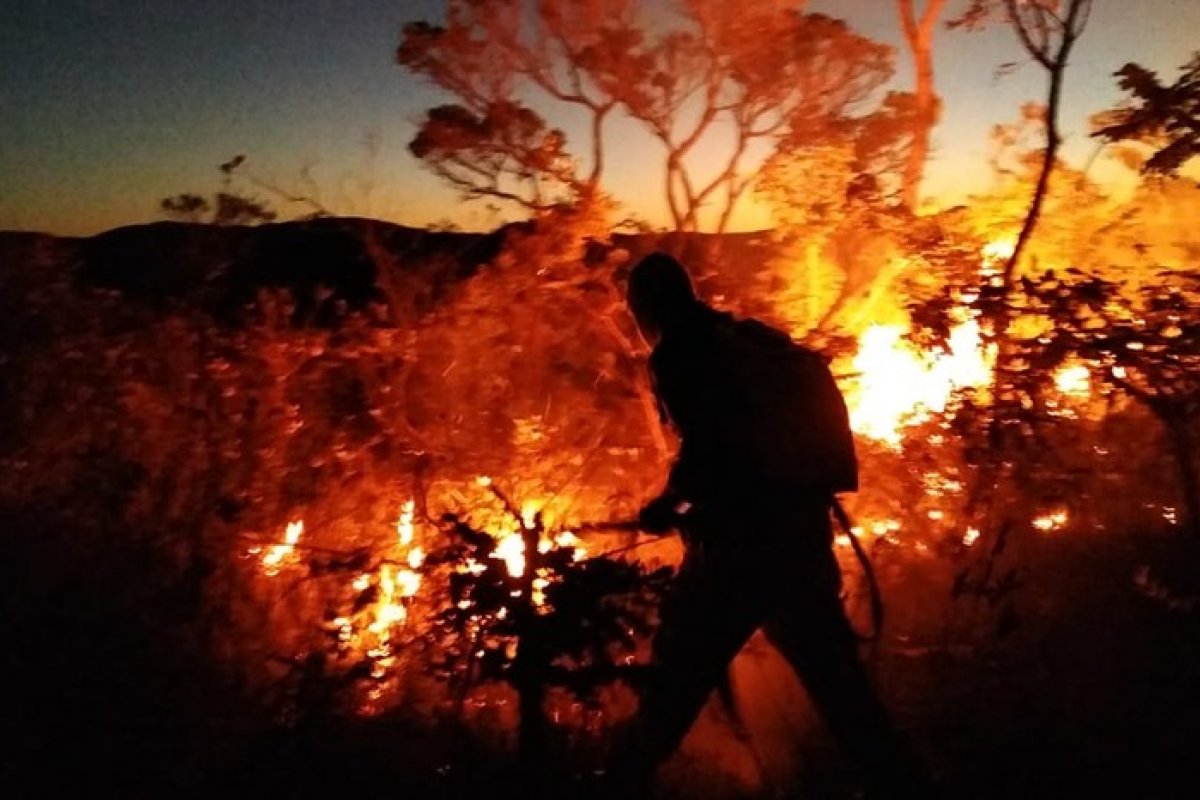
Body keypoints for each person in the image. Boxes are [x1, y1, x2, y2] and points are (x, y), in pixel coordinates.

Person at [610, 252, 933, 798]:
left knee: (674, 683)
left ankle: (610, 783)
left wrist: (666, 504)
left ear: (645, 308)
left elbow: (709, 446)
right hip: (801, 542)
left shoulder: (679, 354)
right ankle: (908, 784)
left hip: (736, 555)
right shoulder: (746, 340)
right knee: (842, 691)